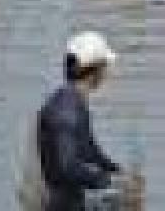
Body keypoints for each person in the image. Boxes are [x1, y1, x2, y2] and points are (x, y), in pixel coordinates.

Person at [37, 31, 122, 211]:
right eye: (105, 66)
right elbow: (67, 166)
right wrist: (104, 181)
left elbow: (89, 152)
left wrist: (118, 173)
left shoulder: (73, 103)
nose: (107, 72)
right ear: (96, 69)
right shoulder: (66, 110)